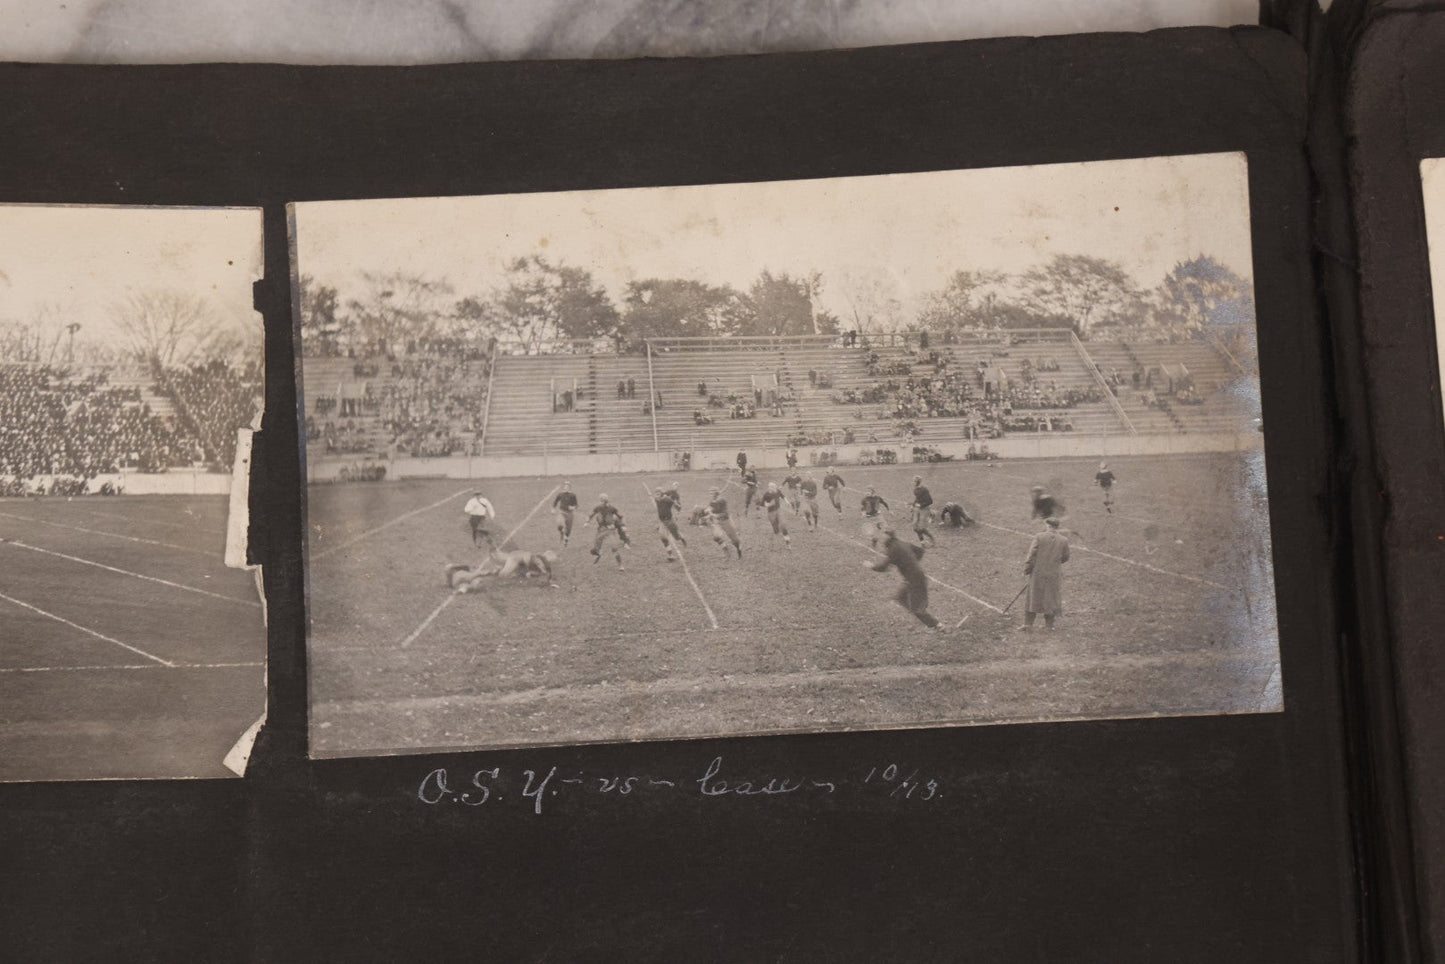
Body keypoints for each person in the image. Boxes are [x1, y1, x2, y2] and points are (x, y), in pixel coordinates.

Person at [867, 526, 940, 629]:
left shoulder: (893, 549)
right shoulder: (902, 543)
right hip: (913, 577)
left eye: (882, 535)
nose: (880, 537)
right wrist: (911, 563)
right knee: (900, 597)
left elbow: (883, 567)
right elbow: (920, 552)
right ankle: (920, 616)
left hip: (915, 580)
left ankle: (938, 626)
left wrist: (871, 566)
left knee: (917, 610)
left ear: (888, 536)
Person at [1022, 517, 1070, 631]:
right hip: (1054, 573)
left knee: (1032, 597)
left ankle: (1028, 625)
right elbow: (1065, 557)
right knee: (1051, 598)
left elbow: (1032, 555)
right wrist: (1054, 564)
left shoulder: (1039, 536)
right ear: (1057, 527)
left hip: (1038, 572)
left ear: (1047, 525)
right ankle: (1049, 626)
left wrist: (1027, 569)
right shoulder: (1064, 540)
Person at [585, 494, 631, 570]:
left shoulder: (612, 508)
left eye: (605, 501)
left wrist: (623, 526)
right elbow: (591, 515)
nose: (604, 503)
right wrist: (587, 522)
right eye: (602, 501)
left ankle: (620, 565)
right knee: (594, 549)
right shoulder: (598, 508)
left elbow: (620, 516)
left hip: (609, 531)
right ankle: (598, 554)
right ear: (600, 501)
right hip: (601, 530)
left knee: (614, 547)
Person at [654, 482, 687, 561]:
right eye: (656, 493)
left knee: (677, 537)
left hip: (669, 520)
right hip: (662, 522)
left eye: (658, 493)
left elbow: (677, 506)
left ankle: (682, 538)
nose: (657, 495)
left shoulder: (667, 499)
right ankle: (670, 555)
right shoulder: (657, 499)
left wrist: (677, 509)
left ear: (661, 493)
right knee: (663, 538)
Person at [706, 487, 743, 559]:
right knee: (716, 537)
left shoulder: (722, 501)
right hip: (717, 521)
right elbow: (710, 508)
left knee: (735, 541)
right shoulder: (712, 501)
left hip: (725, 521)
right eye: (710, 493)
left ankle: (739, 549)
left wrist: (714, 515)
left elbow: (725, 513)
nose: (710, 495)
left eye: (712, 493)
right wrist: (708, 512)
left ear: (716, 493)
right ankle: (726, 551)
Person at [759, 482, 792, 548]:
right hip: (771, 513)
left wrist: (787, 502)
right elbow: (762, 503)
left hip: (778, 511)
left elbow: (783, 496)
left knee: (783, 526)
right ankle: (777, 533)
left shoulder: (777, 491)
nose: (775, 489)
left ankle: (788, 543)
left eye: (775, 487)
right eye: (773, 487)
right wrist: (768, 504)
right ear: (769, 487)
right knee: (776, 530)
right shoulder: (766, 494)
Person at [909, 475, 937, 546]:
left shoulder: (924, 489)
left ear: (917, 482)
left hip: (925, 509)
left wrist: (921, 505)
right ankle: (922, 542)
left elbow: (930, 501)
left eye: (914, 481)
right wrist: (912, 505)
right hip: (918, 509)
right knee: (915, 528)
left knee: (921, 528)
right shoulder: (915, 490)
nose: (912, 482)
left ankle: (932, 539)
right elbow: (917, 499)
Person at [551, 481, 578, 546]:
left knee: (568, 529)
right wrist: (553, 509)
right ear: (563, 488)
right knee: (560, 525)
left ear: (570, 488)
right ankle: (561, 532)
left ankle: (566, 539)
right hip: (562, 512)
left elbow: (576, 505)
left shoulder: (573, 495)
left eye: (567, 487)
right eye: (565, 487)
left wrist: (573, 507)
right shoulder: (560, 494)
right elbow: (555, 501)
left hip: (569, 514)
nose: (566, 488)